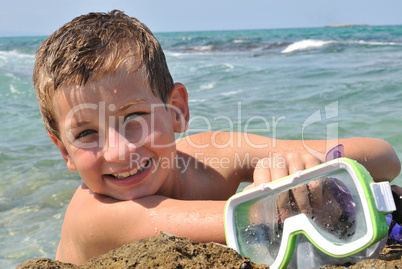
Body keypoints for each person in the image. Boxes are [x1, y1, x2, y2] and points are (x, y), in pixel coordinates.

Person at [32, 10, 401, 265]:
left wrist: (311, 165)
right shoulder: (94, 218)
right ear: (63, 150)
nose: (118, 151)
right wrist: (289, 190)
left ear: (177, 110)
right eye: (86, 134)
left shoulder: (209, 155)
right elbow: (246, 222)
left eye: (134, 118)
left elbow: (385, 157)